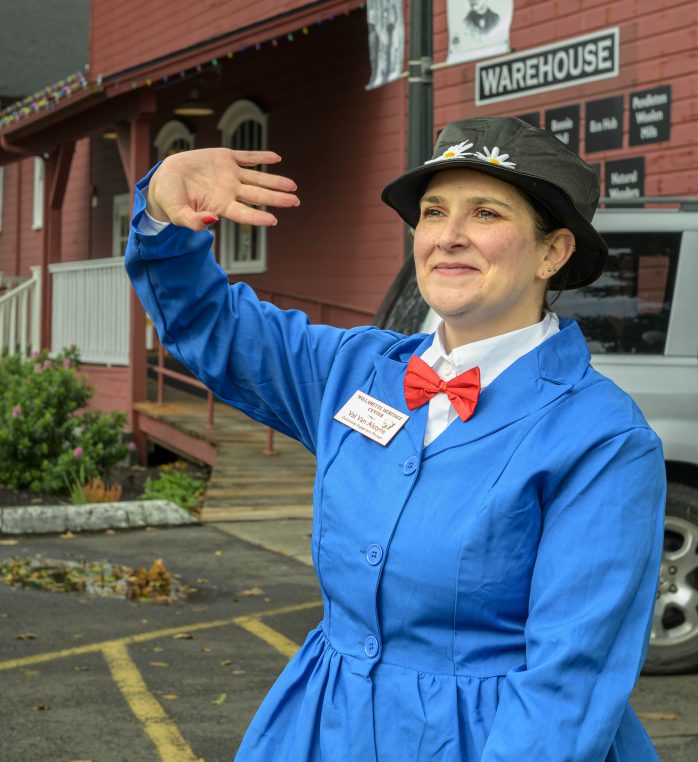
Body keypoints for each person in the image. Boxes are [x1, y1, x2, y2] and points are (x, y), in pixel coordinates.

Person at [124, 116, 666, 760]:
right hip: (324, 728)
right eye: (434, 213)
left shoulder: (604, 440)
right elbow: (209, 325)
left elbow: (567, 687)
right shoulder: (353, 371)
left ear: (554, 252)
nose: (449, 237)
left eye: (486, 213)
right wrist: (162, 205)